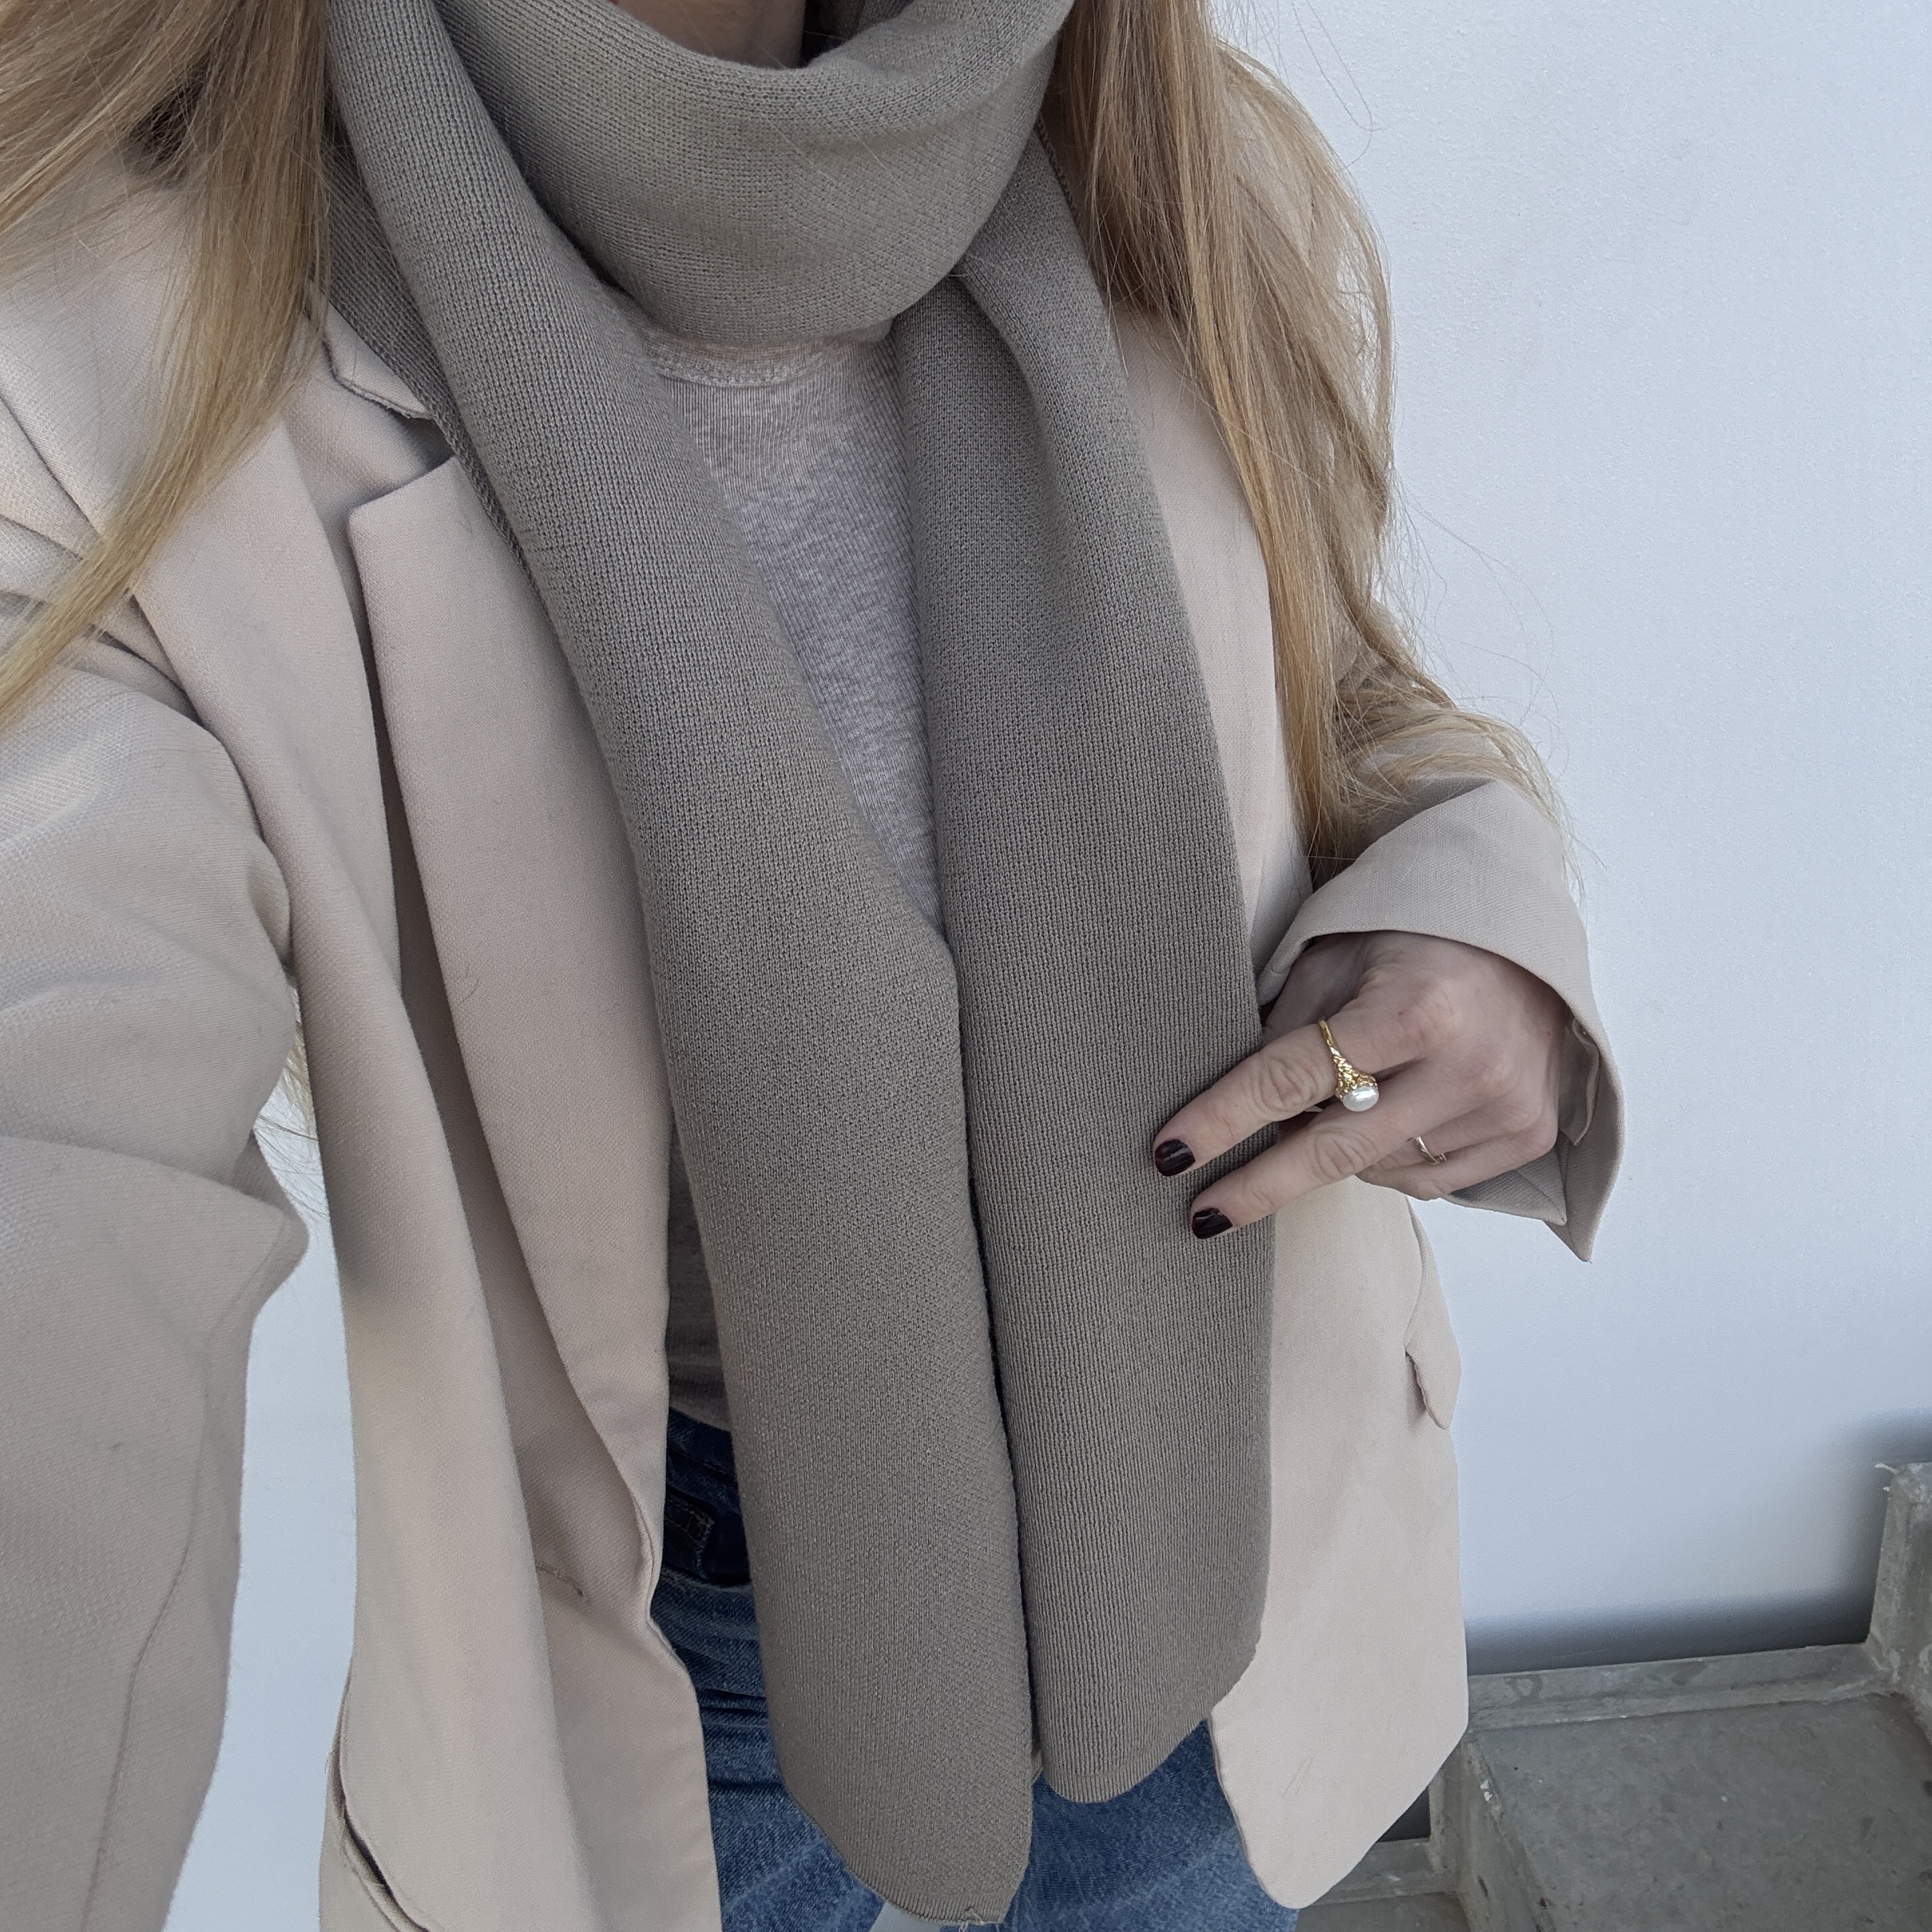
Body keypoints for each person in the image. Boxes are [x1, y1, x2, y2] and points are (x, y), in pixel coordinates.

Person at [0, 0, 1622, 1926]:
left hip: (1219, 1512)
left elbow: (1343, 709)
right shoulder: (101, 335)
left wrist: (1478, 918)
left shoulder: (1166, 152)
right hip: (689, 1661)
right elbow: (60, 1099)